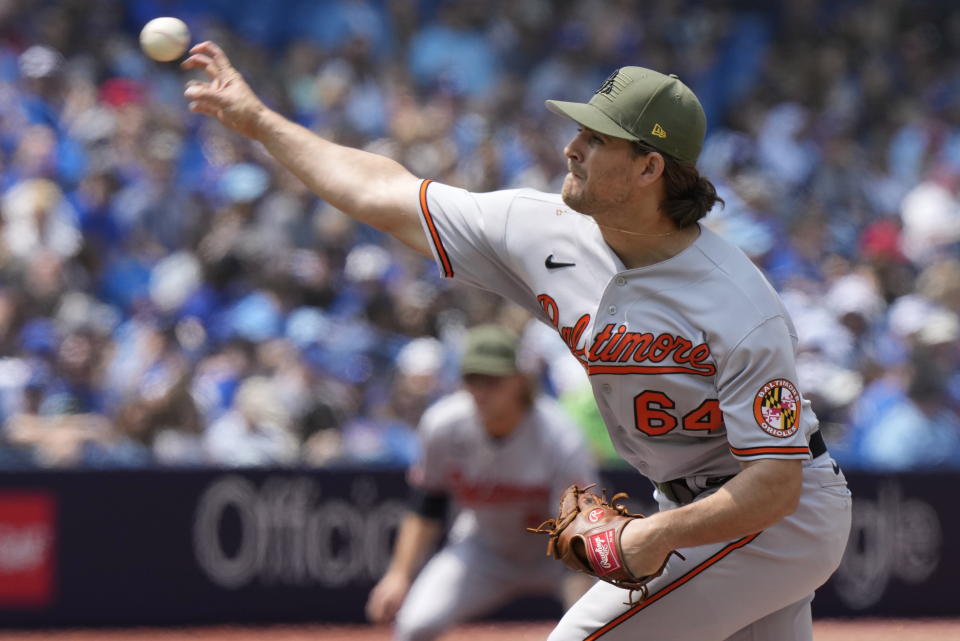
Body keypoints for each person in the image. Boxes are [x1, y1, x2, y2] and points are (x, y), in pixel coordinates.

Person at [184, 43, 852, 641]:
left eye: (597, 138)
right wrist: (260, 123)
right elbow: (382, 192)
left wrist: (652, 534)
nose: (572, 147)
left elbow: (776, 484)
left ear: (650, 168)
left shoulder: (737, 301)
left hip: (770, 517)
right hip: (695, 504)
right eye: (578, 130)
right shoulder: (542, 230)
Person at [363, 324, 598, 640]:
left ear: (520, 380)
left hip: (555, 557)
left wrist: (581, 617)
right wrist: (398, 575)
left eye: (493, 379)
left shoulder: (560, 435)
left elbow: (577, 536)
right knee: (413, 626)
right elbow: (426, 505)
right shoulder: (443, 424)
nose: (481, 390)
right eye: (473, 379)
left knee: (595, 631)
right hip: (484, 550)